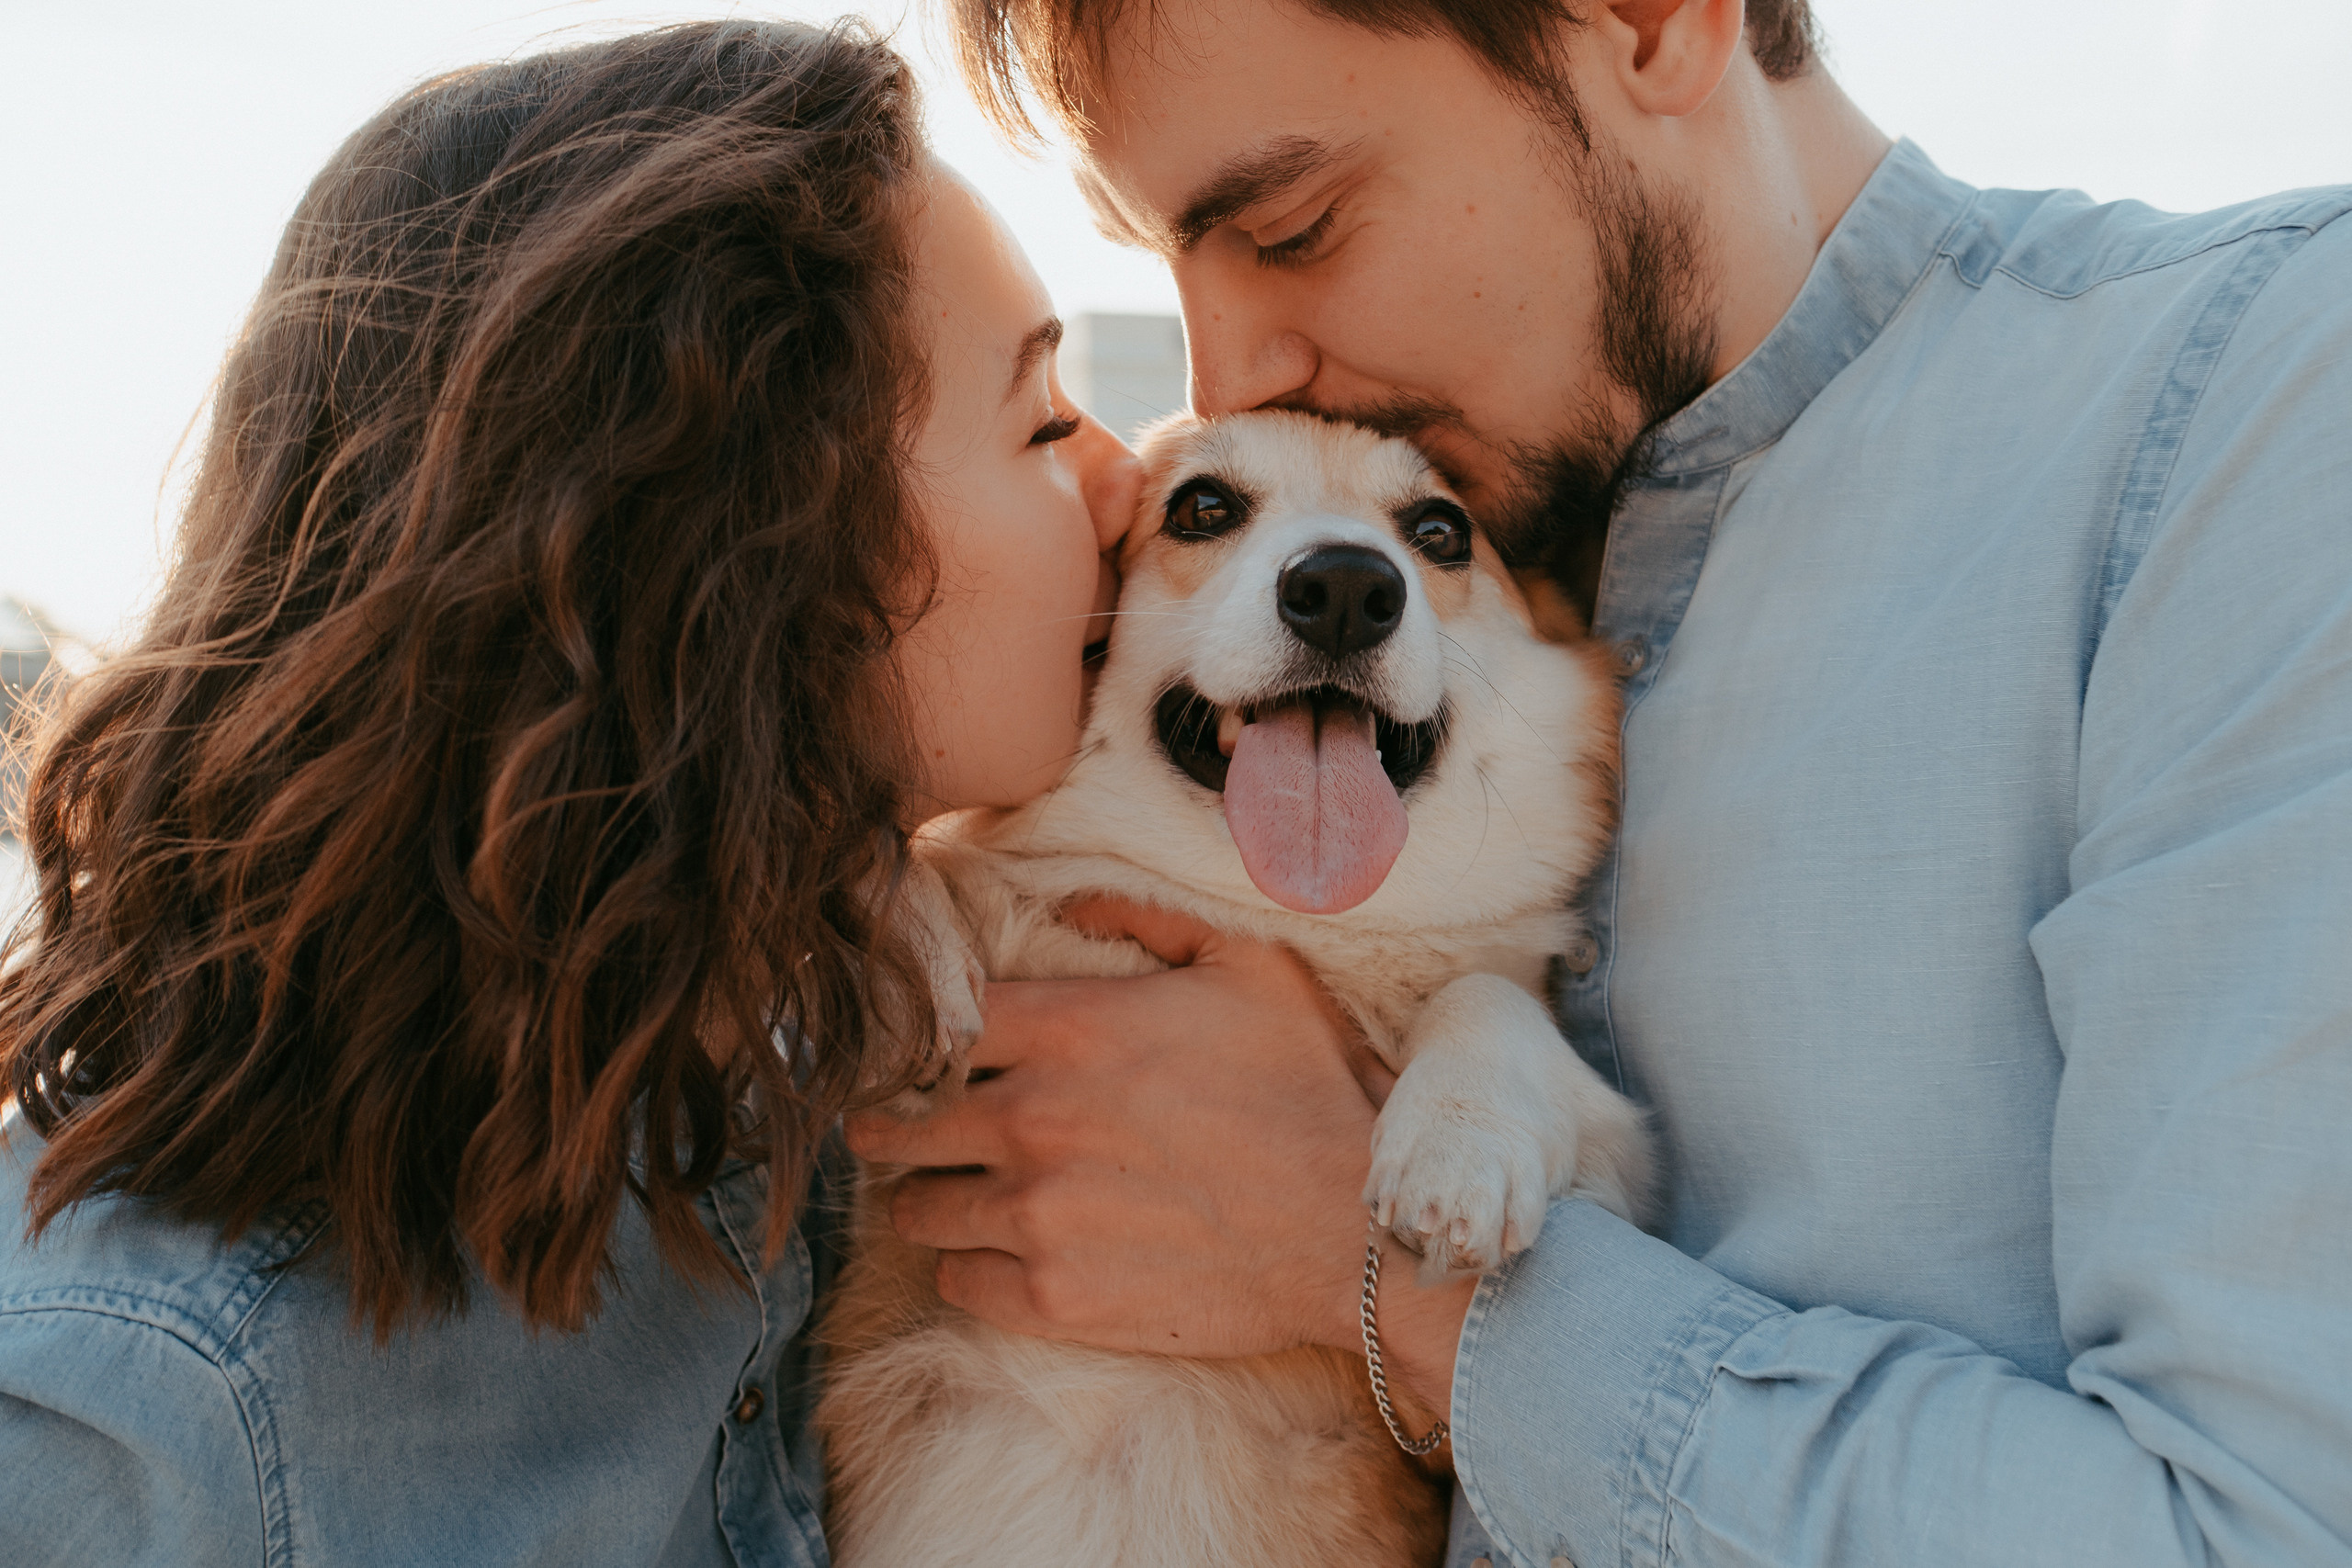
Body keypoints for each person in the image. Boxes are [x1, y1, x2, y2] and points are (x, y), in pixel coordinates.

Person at [852, 1, 2352, 1563]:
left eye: (1296, 228)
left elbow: (2265, 1533)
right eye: (1171, 263)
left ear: (1646, 24)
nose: (1231, 366)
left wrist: (1376, 1282)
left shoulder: (2260, 409)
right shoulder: (1468, 490)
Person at [0, 19, 1136, 1565]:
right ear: (762, 552)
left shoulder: (835, 1103)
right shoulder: (154, 1403)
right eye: (1044, 420)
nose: (1130, 475)